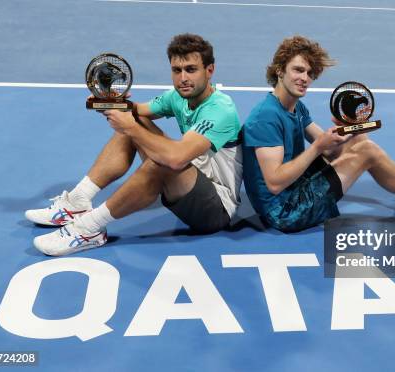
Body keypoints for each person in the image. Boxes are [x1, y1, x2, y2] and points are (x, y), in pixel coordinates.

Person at [27, 33, 243, 255]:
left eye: (191, 69)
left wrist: (128, 124)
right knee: (135, 125)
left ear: (210, 70)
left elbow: (176, 158)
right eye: (177, 70)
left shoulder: (220, 109)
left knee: (161, 160)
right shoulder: (177, 97)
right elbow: (136, 111)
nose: (183, 78)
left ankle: (88, 228)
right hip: (192, 181)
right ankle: (78, 201)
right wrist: (108, 102)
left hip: (216, 208)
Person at [242, 35, 395, 233]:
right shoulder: (266, 117)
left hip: (294, 188)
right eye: (298, 70)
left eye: (310, 73)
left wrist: (349, 129)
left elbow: (332, 147)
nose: (305, 78)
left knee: (360, 140)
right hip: (285, 211)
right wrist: (317, 147)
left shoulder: (295, 106)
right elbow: (274, 183)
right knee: (367, 151)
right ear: (280, 70)